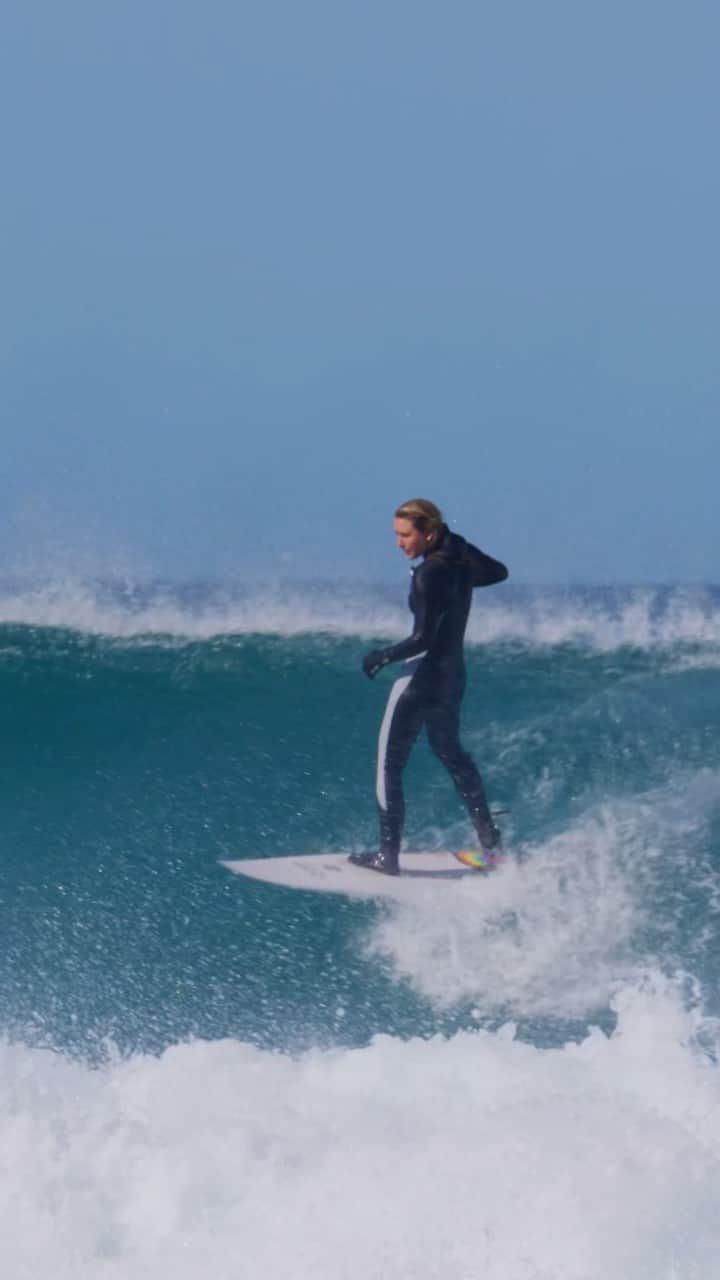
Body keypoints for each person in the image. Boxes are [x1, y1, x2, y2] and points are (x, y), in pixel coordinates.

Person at [350, 499, 508, 876]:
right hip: (452, 677)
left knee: (388, 766)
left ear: (429, 533)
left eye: (406, 535)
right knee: (453, 755)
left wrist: (381, 656)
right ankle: (490, 843)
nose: (399, 543)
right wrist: (459, 546)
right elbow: (498, 572)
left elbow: (421, 640)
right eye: (397, 535)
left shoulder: (426, 575)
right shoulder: (459, 562)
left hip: (420, 679)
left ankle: (387, 856)